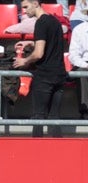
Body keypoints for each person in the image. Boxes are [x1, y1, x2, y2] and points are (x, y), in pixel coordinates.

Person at [15, 0, 68, 136]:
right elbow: (50, 44)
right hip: (59, 75)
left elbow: (39, 53)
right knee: (55, 117)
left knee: (38, 116)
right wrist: (31, 43)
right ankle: (58, 151)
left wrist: (24, 61)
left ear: (36, 3)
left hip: (45, 76)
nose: (24, 12)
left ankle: (35, 152)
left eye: (26, 7)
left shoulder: (40, 23)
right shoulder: (55, 22)